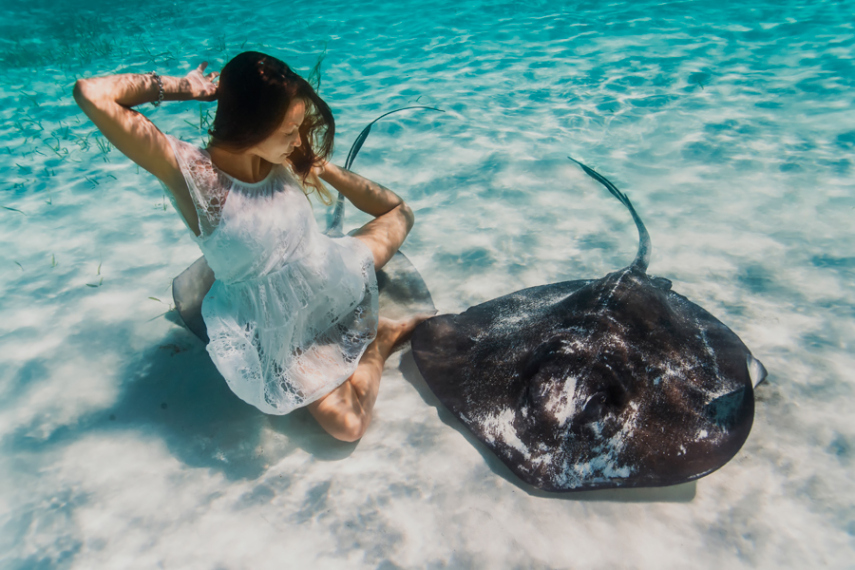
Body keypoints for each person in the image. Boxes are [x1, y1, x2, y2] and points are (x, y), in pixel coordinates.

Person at [73, 51, 427, 442]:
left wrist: (319, 167)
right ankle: (380, 339)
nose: (297, 139)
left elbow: (391, 206)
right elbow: (91, 93)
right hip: (280, 326)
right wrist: (187, 88)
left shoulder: (281, 155)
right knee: (348, 427)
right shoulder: (193, 174)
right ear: (251, 125)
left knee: (403, 215)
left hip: (328, 267)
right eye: (288, 130)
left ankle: (367, 331)